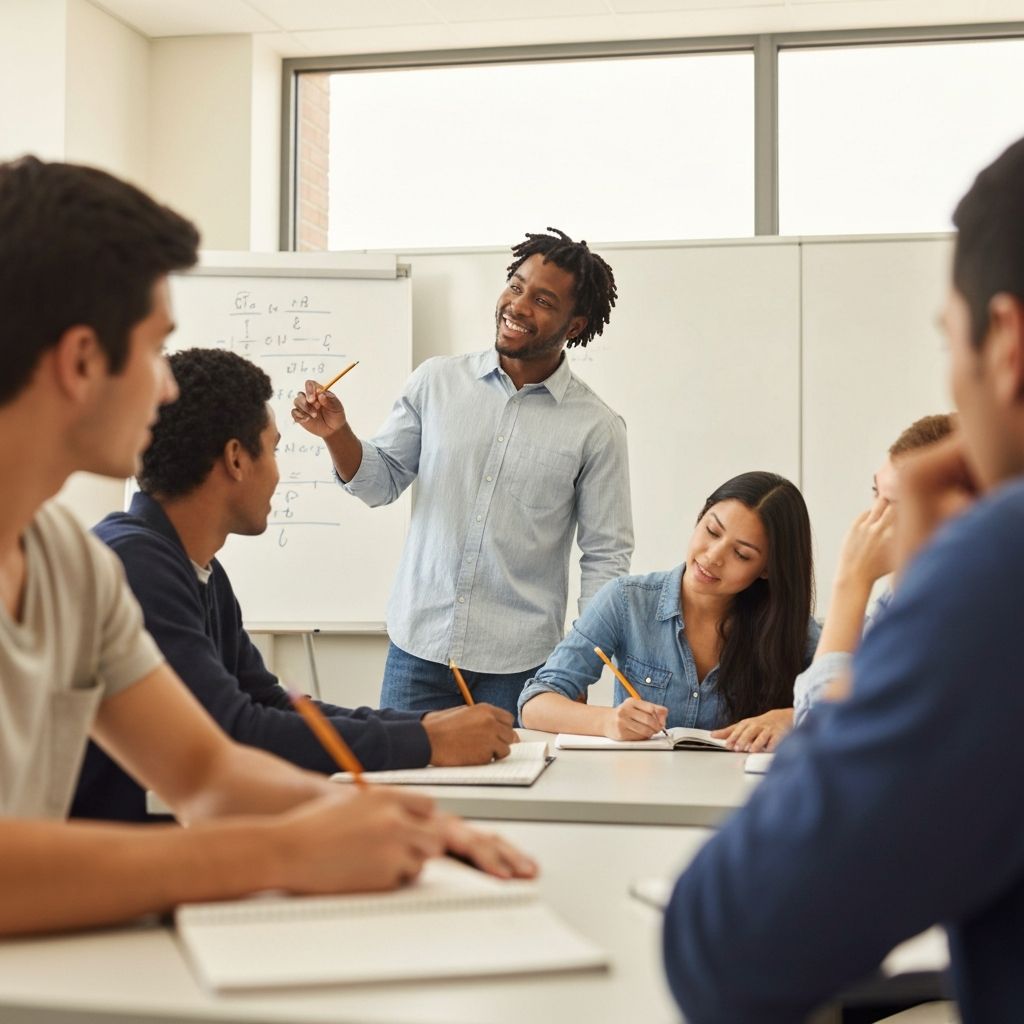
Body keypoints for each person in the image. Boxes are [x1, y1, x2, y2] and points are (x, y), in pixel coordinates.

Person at [0, 156, 534, 938]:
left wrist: (403, 826)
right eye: (155, 350)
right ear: (83, 360)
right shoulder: (122, 556)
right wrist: (282, 852)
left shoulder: (71, 568)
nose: (168, 388)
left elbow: (206, 769)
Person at [662, 136, 1024, 1023]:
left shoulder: (998, 571)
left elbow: (726, 943)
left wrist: (932, 593)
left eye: (952, 340)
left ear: (1005, 346)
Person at [73, 348, 519, 824]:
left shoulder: (197, 569)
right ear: (236, 459)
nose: (278, 474)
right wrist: (426, 741)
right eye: (274, 448)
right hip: (123, 865)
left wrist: (425, 725)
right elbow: (234, 730)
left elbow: (265, 701)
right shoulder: (135, 563)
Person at [292, 228, 633, 717]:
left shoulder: (596, 427)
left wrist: (576, 666)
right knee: (409, 791)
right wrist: (336, 434)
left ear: (574, 324)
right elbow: (380, 482)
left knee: (515, 794)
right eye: (515, 287)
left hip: (522, 668)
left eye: (542, 300)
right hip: (418, 654)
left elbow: (605, 557)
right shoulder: (436, 381)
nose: (517, 306)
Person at [519, 472, 820, 753]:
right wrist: (607, 721)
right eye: (712, 531)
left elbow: (856, 705)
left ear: (767, 568)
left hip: (740, 799)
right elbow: (534, 703)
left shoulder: (789, 626)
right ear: (700, 517)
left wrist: (792, 716)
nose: (712, 556)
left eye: (741, 554)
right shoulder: (626, 601)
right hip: (641, 794)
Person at [793, 413, 953, 724]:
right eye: (875, 493)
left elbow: (828, 739)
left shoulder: (952, 612)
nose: (871, 519)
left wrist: (851, 582)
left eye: (891, 503)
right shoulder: (895, 598)